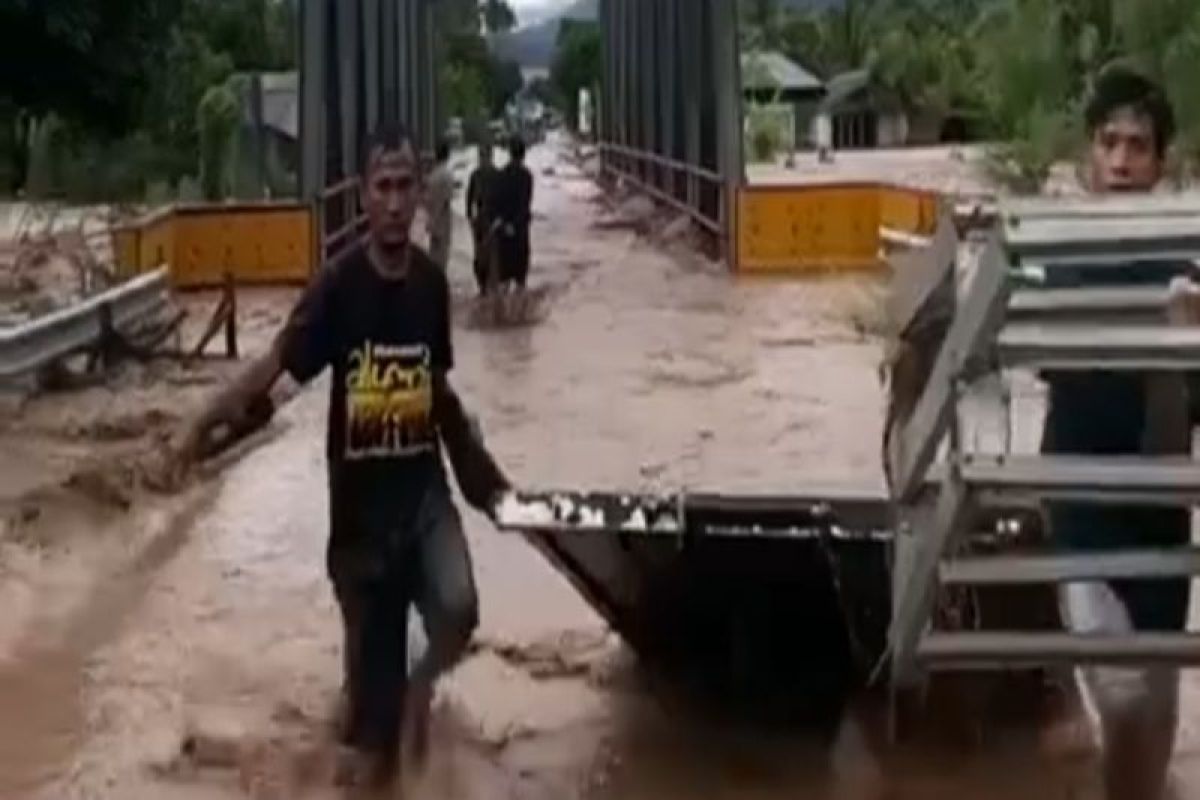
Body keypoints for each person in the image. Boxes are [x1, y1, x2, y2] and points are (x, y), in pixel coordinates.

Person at [171, 123, 509, 788]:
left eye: (403, 186)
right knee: (366, 748)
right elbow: (276, 369)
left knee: (460, 607)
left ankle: (421, 692)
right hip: (360, 528)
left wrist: (484, 481)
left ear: (418, 195)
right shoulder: (337, 288)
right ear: (362, 197)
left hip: (423, 496)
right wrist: (197, 430)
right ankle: (380, 700)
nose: (392, 201)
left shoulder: (432, 287)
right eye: (380, 187)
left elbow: (436, 390)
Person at [1040, 65, 1198, 800]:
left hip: (1161, 517)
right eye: (1111, 143)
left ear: (1161, 163)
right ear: (1089, 158)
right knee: (1124, 698)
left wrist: (1181, 350)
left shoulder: (1187, 264)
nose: (1124, 159)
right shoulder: (1060, 252)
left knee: (1151, 734)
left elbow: (1178, 427)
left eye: (1139, 145)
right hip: (1081, 514)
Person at [492, 136, 534, 291]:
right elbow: (525, 204)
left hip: (503, 232)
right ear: (523, 154)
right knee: (520, 281)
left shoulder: (501, 175)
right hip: (521, 231)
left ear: (510, 153)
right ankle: (520, 313)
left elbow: (495, 203)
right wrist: (516, 225)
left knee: (504, 280)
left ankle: (504, 314)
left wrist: (503, 223)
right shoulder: (527, 177)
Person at [466, 139, 500, 295]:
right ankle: (482, 286)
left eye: (486, 156)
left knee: (492, 255)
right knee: (479, 255)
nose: (483, 160)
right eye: (482, 156)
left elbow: (502, 199)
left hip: (492, 220)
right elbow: (469, 198)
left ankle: (490, 285)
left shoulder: (497, 175)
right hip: (480, 220)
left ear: (491, 157)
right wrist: (470, 218)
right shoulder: (475, 175)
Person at [424, 138, 455, 269]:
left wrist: (431, 220)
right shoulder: (447, 175)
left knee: (433, 255)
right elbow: (446, 201)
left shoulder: (433, 175)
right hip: (442, 221)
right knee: (442, 256)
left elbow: (427, 200)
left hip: (433, 219)